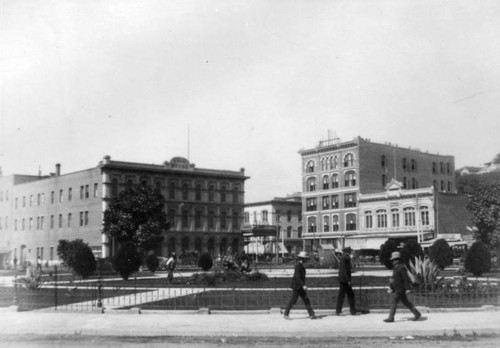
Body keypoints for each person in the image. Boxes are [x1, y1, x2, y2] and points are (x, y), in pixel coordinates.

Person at [384, 251, 421, 323]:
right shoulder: (396, 268)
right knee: (406, 302)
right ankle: (417, 313)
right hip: (396, 288)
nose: (392, 261)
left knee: (393, 301)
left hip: (400, 289)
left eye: (393, 260)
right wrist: (391, 287)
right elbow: (393, 279)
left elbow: (406, 279)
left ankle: (391, 318)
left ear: (397, 260)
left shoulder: (402, 267)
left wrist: (407, 289)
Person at [283, 251, 317, 320]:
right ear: (302, 259)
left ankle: (311, 314)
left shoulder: (301, 265)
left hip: (300, 286)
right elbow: (298, 277)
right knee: (293, 300)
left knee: (306, 299)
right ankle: (286, 314)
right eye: (306, 258)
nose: (307, 260)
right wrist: (303, 285)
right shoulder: (298, 266)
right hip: (297, 286)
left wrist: (302, 285)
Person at [336, 246, 357, 316]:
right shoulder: (346, 258)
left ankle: (338, 310)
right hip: (345, 280)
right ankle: (352, 311)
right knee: (350, 295)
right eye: (350, 251)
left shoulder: (343, 257)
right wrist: (348, 280)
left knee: (342, 295)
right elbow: (345, 270)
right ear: (347, 252)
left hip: (342, 279)